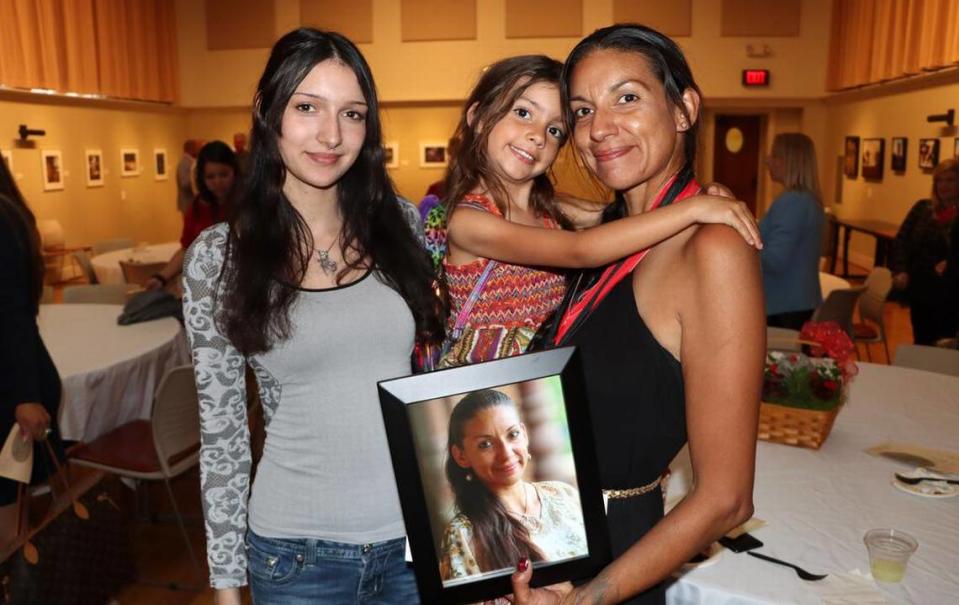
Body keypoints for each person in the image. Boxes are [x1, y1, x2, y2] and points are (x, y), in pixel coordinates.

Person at [181, 28, 443, 604]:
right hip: (296, 558)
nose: (331, 135)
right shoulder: (220, 257)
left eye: (352, 114)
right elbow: (222, 434)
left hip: (414, 544)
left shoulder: (401, 224)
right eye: (307, 107)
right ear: (266, 112)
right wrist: (227, 588)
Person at [511, 24, 765, 605]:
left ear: (684, 109)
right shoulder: (607, 234)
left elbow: (727, 498)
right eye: (580, 111)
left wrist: (589, 598)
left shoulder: (713, 250)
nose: (599, 128)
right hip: (549, 544)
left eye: (627, 97)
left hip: (616, 565)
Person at [439, 55, 761, 367]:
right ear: (478, 118)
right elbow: (581, 251)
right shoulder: (469, 221)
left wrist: (704, 195)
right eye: (523, 113)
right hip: (483, 383)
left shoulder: (550, 212)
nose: (537, 136)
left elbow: (634, 217)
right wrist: (694, 208)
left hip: (539, 379)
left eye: (555, 131)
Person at [440, 389, 586, 582]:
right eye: (485, 444)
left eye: (513, 434)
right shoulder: (462, 535)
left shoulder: (563, 495)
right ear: (461, 456)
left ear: (524, 435)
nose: (506, 453)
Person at [0, 158, 64, 550]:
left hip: (12, 390)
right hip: (17, 382)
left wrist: (25, 397)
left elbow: (13, 316)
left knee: (10, 531)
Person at [146, 141, 238, 291]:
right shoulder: (198, 207)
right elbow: (187, 249)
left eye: (223, 174)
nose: (218, 182)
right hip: (207, 289)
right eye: (210, 177)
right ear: (202, 178)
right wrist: (161, 277)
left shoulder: (250, 205)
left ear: (234, 171)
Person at [759, 133, 825, 329]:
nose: (768, 160)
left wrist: (740, 245)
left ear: (791, 161)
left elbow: (775, 260)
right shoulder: (807, 200)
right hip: (797, 302)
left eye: (775, 155)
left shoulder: (792, 202)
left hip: (784, 306)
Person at [891, 158, 959, 344]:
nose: (943, 185)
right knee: (921, 341)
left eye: (951, 180)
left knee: (943, 347)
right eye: (939, 180)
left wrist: (951, 262)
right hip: (921, 290)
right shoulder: (922, 208)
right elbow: (900, 240)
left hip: (949, 294)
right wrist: (901, 269)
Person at [176, 139, 199, 213]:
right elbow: (184, 183)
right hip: (188, 202)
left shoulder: (192, 161)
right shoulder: (184, 163)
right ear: (191, 148)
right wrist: (197, 180)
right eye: (197, 147)